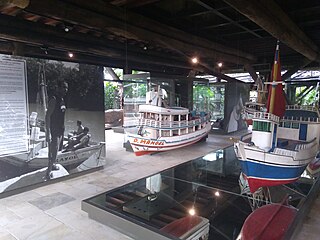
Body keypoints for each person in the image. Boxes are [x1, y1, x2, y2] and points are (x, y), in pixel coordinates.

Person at [45, 81, 68, 180]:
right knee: (53, 151)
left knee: (57, 149)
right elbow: (47, 116)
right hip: (54, 130)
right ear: (57, 88)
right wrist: (48, 132)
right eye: (63, 87)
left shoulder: (62, 99)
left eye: (66, 88)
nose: (65, 89)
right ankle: (48, 172)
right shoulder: (54, 99)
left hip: (60, 129)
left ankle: (53, 165)